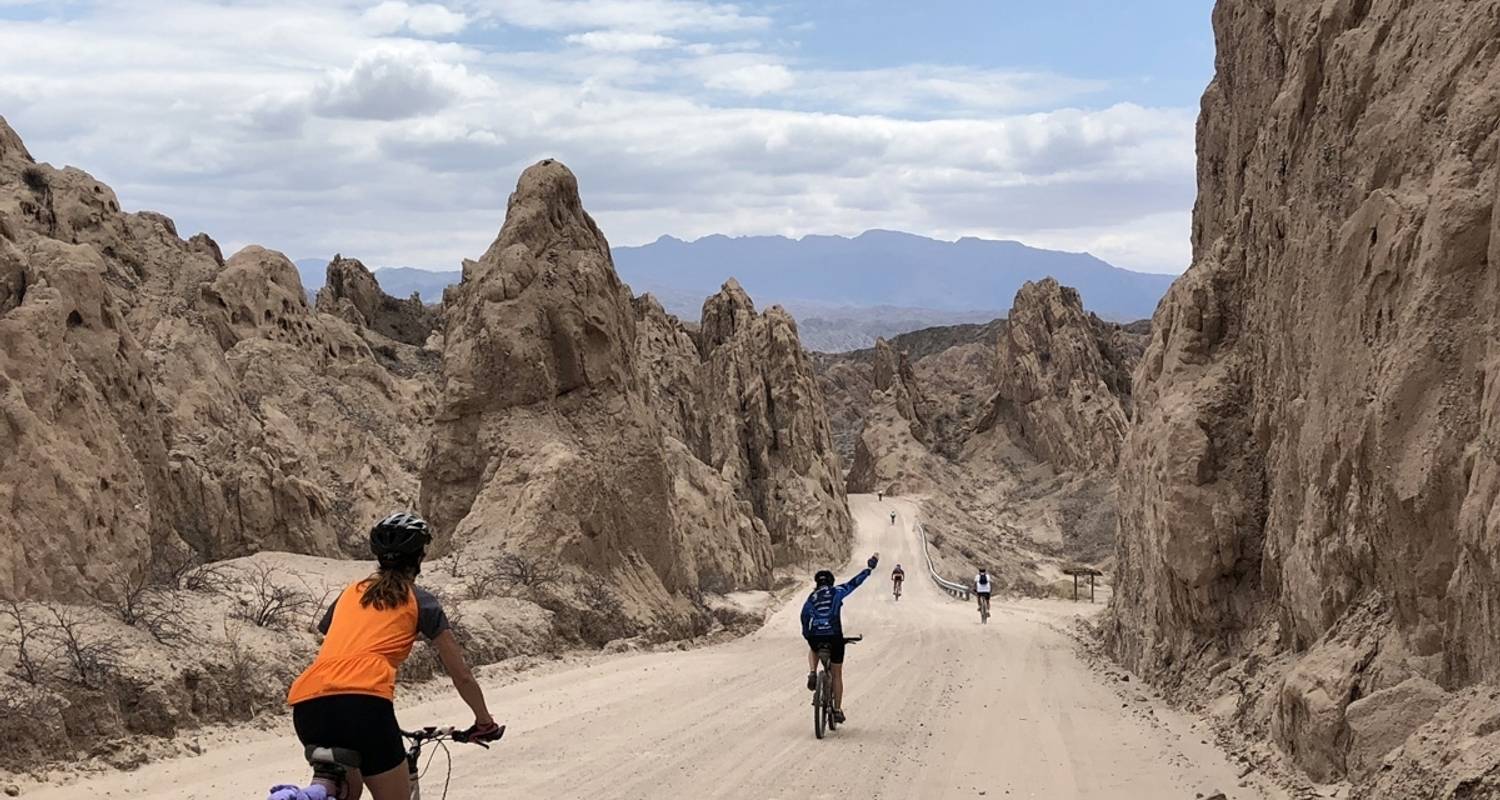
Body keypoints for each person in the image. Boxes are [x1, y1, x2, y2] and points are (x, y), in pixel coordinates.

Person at [286, 513, 503, 800]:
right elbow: (461, 674)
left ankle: (307, 795)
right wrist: (483, 722)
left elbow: (334, 641)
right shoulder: (421, 600)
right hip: (364, 705)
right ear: (419, 558)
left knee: (346, 790)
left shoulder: (350, 593)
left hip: (309, 704)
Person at [802, 553, 878, 723]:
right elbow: (854, 583)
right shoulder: (836, 591)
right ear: (831, 582)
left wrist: (807, 634)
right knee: (837, 674)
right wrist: (869, 568)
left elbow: (804, 616)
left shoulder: (811, 597)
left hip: (815, 636)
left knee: (813, 646)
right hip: (835, 637)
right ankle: (836, 710)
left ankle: (813, 672)